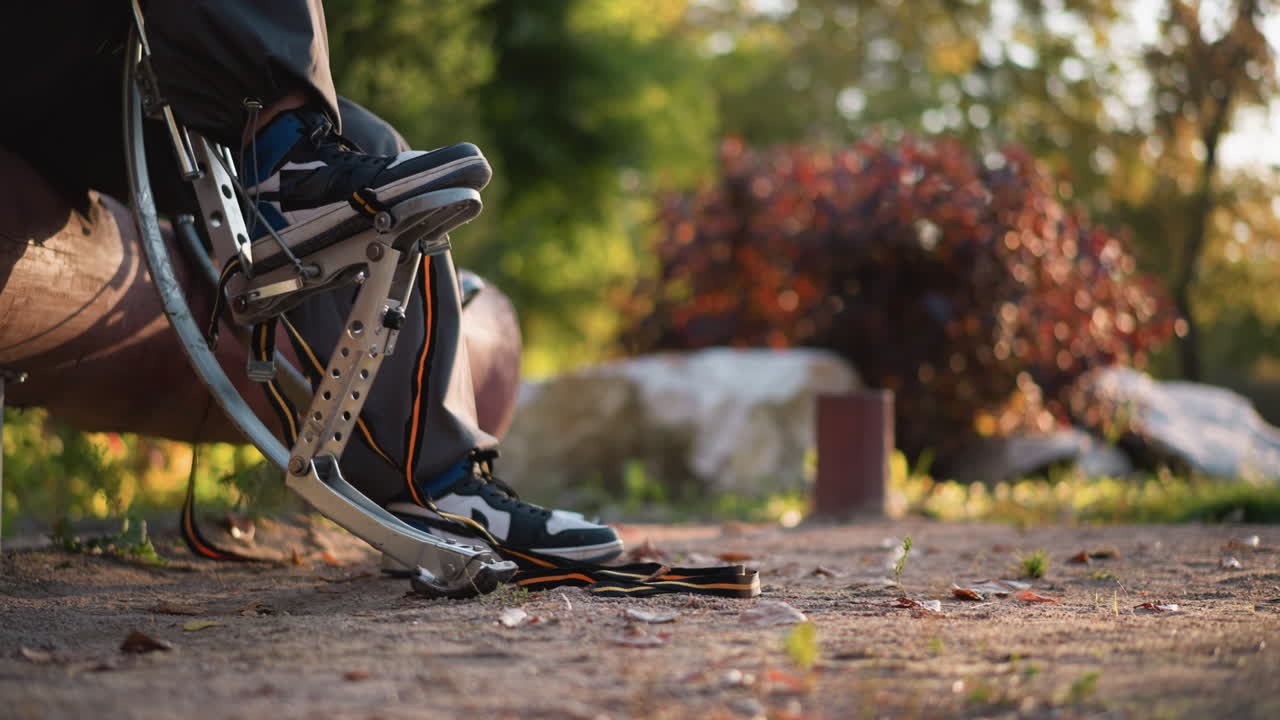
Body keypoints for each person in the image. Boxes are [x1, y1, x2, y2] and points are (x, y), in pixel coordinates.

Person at [0, 1, 623, 563]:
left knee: (372, 145)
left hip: (97, 67)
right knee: (338, 183)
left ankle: (434, 489)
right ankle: (287, 173)